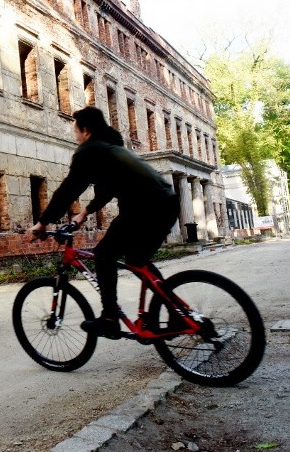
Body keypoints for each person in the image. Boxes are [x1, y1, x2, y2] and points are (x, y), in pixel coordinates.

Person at [30, 106, 180, 338]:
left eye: (77, 132)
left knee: (103, 255)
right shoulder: (111, 148)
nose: (76, 137)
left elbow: (70, 188)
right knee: (136, 259)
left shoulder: (89, 151)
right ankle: (176, 313)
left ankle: (110, 318)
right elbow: (108, 188)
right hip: (166, 203)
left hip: (143, 207)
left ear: (86, 131)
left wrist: (43, 222)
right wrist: (84, 213)